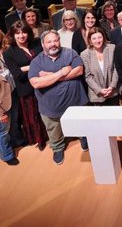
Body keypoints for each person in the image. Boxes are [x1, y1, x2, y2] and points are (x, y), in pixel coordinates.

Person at [28, 31, 88, 165]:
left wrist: (50, 76)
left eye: (55, 41)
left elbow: (79, 70)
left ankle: (83, 137)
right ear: (43, 44)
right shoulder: (36, 62)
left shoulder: (70, 53)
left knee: (80, 123)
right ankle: (57, 147)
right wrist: (61, 72)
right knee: (54, 129)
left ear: (59, 41)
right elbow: (36, 83)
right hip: (50, 106)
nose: (53, 44)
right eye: (49, 42)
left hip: (75, 101)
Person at [3, 22, 48, 150]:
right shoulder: (8, 52)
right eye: (17, 33)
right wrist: (35, 66)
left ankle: (52, 134)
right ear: (12, 35)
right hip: (26, 89)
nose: (21, 36)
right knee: (34, 116)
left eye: (24, 32)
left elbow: (46, 60)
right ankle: (40, 139)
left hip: (44, 83)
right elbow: (18, 75)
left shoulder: (37, 42)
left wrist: (25, 68)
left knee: (47, 112)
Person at [80, 28, 118, 106]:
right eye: (94, 38)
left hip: (113, 92)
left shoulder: (112, 48)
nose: (97, 41)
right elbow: (88, 76)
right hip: (97, 95)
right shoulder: (85, 54)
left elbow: (116, 69)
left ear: (103, 37)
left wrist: (112, 86)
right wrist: (99, 90)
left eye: (99, 37)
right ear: (90, 40)